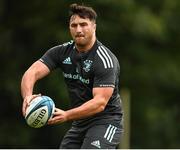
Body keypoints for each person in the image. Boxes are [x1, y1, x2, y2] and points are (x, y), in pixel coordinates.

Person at [21, 3, 123, 149]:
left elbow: (99, 103)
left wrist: (67, 115)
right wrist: (27, 97)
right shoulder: (61, 52)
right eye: (74, 25)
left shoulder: (105, 60)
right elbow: (31, 73)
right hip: (80, 122)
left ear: (94, 27)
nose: (78, 30)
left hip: (106, 121)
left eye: (83, 24)